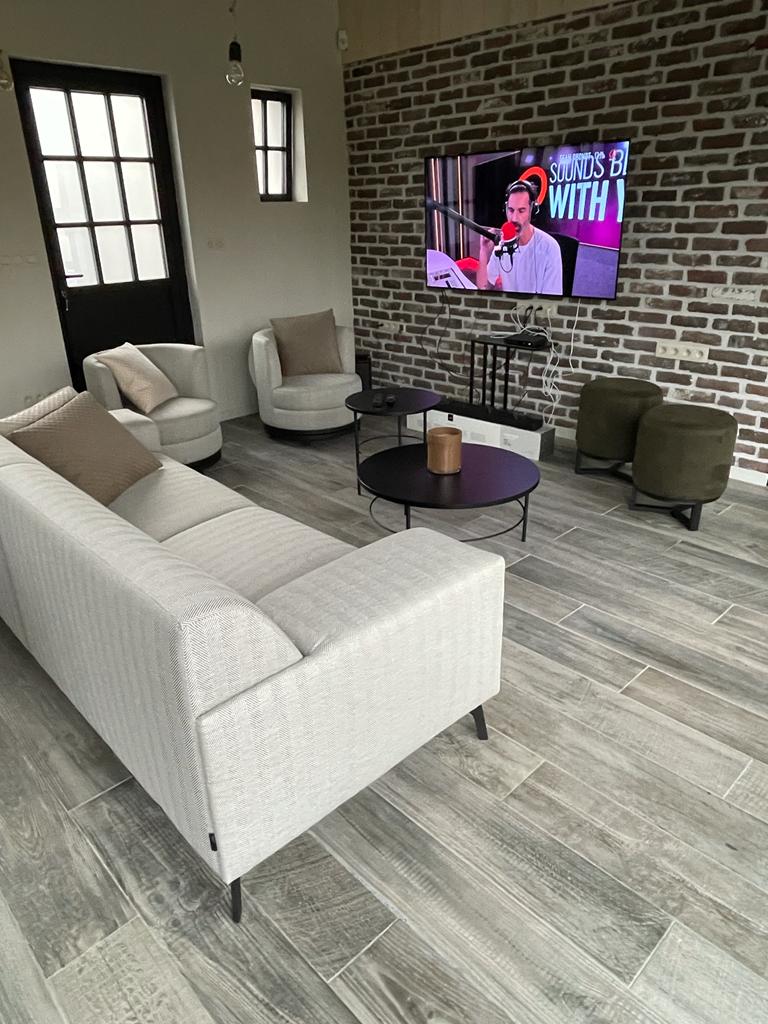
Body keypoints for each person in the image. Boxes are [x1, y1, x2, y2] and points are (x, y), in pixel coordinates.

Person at [477, 180, 563, 296]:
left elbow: (551, 303)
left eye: (521, 211)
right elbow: (483, 288)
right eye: (511, 210)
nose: (514, 218)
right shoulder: (503, 243)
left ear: (532, 209)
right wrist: (483, 252)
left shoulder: (550, 248)